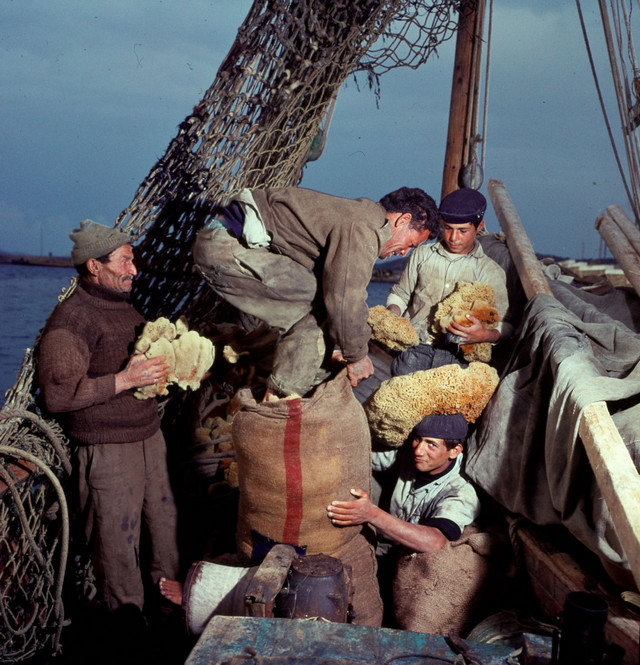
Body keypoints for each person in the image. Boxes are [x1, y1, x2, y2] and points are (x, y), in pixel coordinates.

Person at [37, 220, 180, 627]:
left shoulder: (125, 308)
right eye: (124, 261)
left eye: (132, 260)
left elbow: (141, 370)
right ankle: (128, 639)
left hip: (150, 441)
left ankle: (170, 630)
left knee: (166, 545)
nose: (133, 270)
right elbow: (58, 395)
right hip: (108, 453)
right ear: (94, 267)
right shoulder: (72, 320)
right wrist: (126, 380)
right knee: (118, 560)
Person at [192, 186, 439, 400]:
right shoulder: (365, 227)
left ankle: (269, 383)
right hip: (224, 245)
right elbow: (345, 299)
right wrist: (357, 356)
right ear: (403, 220)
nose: (404, 253)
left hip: (225, 241)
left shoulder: (358, 216)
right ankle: (277, 401)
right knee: (314, 305)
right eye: (410, 244)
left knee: (317, 302)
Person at [386, 187, 513, 376]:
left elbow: (506, 324)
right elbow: (400, 294)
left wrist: (485, 335)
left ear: (479, 227)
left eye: (463, 231)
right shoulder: (422, 254)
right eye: (447, 228)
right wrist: (392, 315)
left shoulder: (490, 271)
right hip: (412, 351)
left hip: (457, 360)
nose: (453, 238)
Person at [326, 412, 480, 557]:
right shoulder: (408, 454)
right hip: (380, 546)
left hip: (407, 558)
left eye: (431, 445)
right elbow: (360, 454)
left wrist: (371, 514)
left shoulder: (461, 491)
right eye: (418, 439)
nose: (418, 450)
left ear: (454, 451)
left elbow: (436, 542)